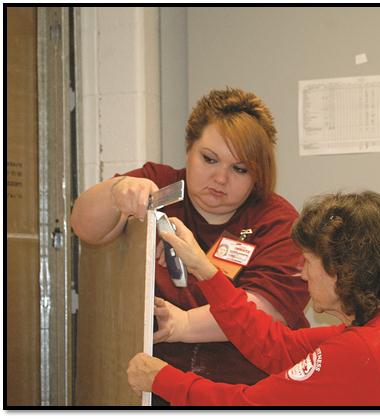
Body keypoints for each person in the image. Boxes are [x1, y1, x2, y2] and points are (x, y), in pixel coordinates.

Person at [70, 87, 310, 402]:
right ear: (189, 149)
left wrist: (182, 324)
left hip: (245, 391)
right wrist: (118, 192)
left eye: (240, 169)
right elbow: (84, 226)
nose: (221, 178)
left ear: (258, 175)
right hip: (156, 385)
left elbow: (262, 315)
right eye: (209, 159)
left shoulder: (277, 221)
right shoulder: (158, 186)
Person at [127, 191, 380, 406]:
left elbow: (246, 405)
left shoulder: (360, 352)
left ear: (340, 271)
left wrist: (160, 378)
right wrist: (204, 269)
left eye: (308, 261)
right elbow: (276, 346)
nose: (302, 274)